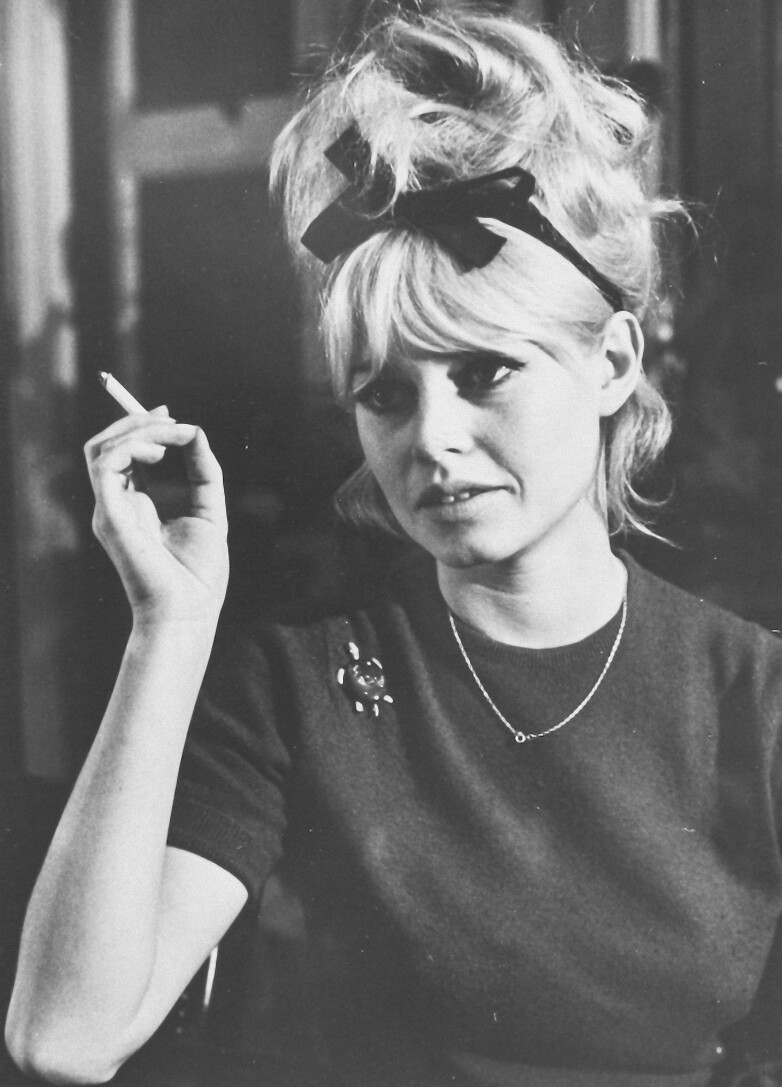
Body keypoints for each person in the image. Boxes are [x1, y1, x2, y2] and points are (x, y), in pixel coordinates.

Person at [5, 8, 782, 1086]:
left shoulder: (755, 698)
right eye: (384, 394)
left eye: (484, 371)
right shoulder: (295, 686)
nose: (432, 439)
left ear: (609, 364)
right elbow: (62, 1037)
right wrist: (167, 627)